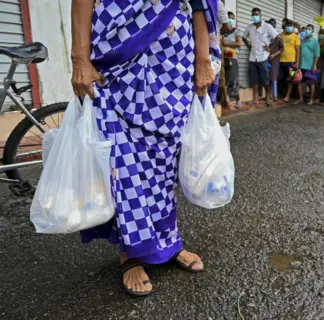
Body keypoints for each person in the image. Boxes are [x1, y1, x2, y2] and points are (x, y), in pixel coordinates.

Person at [71, 0, 217, 296]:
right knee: (122, 157)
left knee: (166, 158)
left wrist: (203, 60)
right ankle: (131, 252)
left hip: (173, 57)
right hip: (117, 44)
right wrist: (80, 58)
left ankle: (168, 240)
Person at [243, 8, 279, 105]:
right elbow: (244, 37)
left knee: (265, 79)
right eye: (253, 14)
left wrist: (271, 48)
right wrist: (248, 46)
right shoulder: (250, 27)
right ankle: (255, 99)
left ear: (260, 15)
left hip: (263, 57)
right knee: (254, 79)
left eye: (256, 14)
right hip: (252, 57)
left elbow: (278, 38)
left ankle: (268, 97)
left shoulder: (267, 27)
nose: (255, 16)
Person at [221, 11, 243, 107]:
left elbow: (239, 44)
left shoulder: (237, 30)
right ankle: (227, 100)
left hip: (232, 58)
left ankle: (238, 101)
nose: (230, 19)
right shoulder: (222, 31)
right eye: (228, 17)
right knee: (224, 79)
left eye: (232, 18)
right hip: (223, 58)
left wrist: (226, 44)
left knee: (233, 79)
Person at [297, 24, 321, 105]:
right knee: (299, 82)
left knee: (311, 83)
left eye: (309, 29)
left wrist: (314, 65)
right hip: (301, 65)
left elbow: (317, 55)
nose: (307, 30)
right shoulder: (302, 40)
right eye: (307, 29)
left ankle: (311, 99)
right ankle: (300, 98)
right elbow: (299, 53)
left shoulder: (315, 42)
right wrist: (298, 63)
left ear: (312, 31)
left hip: (310, 66)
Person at [279, 19, 300, 102]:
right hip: (281, 61)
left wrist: (297, 62)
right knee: (280, 77)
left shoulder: (296, 37)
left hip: (292, 62)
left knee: (291, 78)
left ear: (293, 27)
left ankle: (287, 96)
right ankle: (281, 93)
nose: (289, 27)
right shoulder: (281, 35)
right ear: (285, 26)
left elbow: (298, 50)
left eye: (291, 26)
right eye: (288, 26)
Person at [266, 18, 284, 103]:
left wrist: (274, 55)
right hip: (266, 59)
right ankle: (268, 95)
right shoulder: (266, 35)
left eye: (273, 24)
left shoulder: (278, 37)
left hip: (274, 59)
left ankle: (275, 96)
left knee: (273, 78)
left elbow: (282, 49)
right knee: (267, 77)